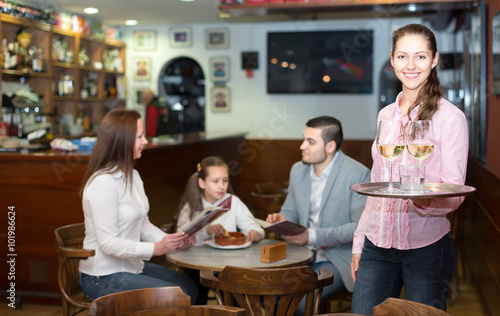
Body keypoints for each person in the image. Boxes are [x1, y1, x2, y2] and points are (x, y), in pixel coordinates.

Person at [350, 24, 469, 314]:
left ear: (434, 60)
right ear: (392, 61)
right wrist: (358, 243)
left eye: (420, 57)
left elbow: (455, 193)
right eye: (402, 57)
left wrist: (424, 200)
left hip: (427, 249)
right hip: (376, 245)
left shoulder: (450, 118)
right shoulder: (385, 115)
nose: (411, 65)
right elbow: (376, 185)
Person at [79, 108, 198, 302]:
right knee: (177, 296)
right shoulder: (103, 183)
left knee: (190, 286)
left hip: (131, 267)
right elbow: (108, 244)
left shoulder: (133, 175)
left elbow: (143, 225)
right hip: (102, 277)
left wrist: (171, 241)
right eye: (140, 137)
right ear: (122, 141)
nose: (145, 141)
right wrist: (156, 249)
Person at [266, 116, 371, 315]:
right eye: (304, 139)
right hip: (299, 256)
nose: (302, 146)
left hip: (338, 260)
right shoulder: (298, 169)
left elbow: (359, 227)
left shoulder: (358, 174)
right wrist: (281, 220)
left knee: (297, 302)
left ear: (330, 146)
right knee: (265, 293)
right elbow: (290, 210)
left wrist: (312, 236)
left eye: (310, 142)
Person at [175, 156, 265, 304]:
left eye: (225, 180)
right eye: (215, 181)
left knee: (232, 297)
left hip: (228, 266)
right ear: (202, 182)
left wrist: (255, 232)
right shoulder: (192, 206)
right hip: (196, 267)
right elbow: (181, 237)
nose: (221, 186)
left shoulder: (232, 202)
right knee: (195, 297)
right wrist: (206, 231)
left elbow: (254, 225)